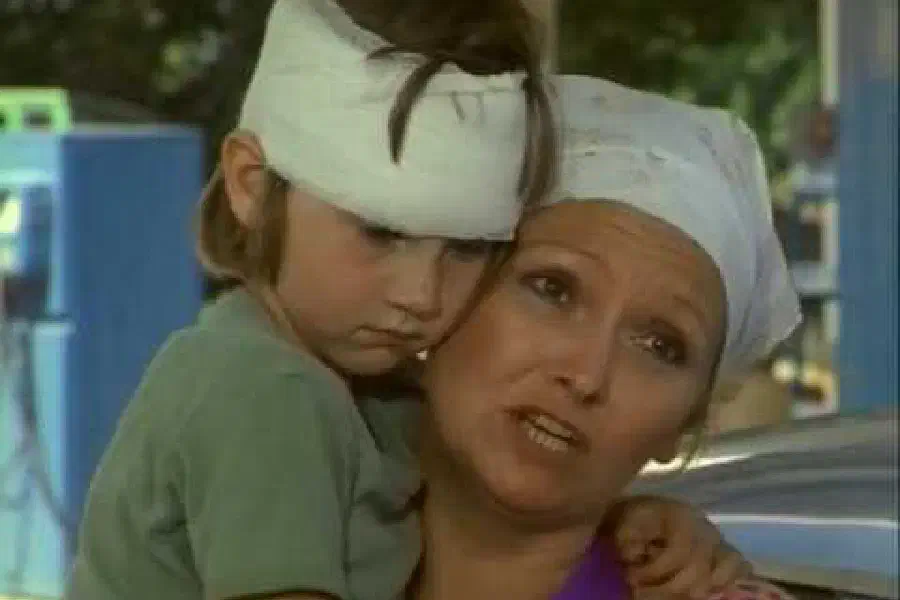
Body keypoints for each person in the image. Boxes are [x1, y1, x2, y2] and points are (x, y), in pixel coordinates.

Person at [64, 4, 742, 600]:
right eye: (381, 231)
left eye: (467, 248)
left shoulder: (367, 396)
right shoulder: (265, 392)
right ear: (251, 184)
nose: (421, 294)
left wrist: (635, 523)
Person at [408, 75, 802, 600]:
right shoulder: (304, 514)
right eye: (552, 290)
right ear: (449, 292)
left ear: (685, 423)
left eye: (660, 347)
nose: (587, 375)